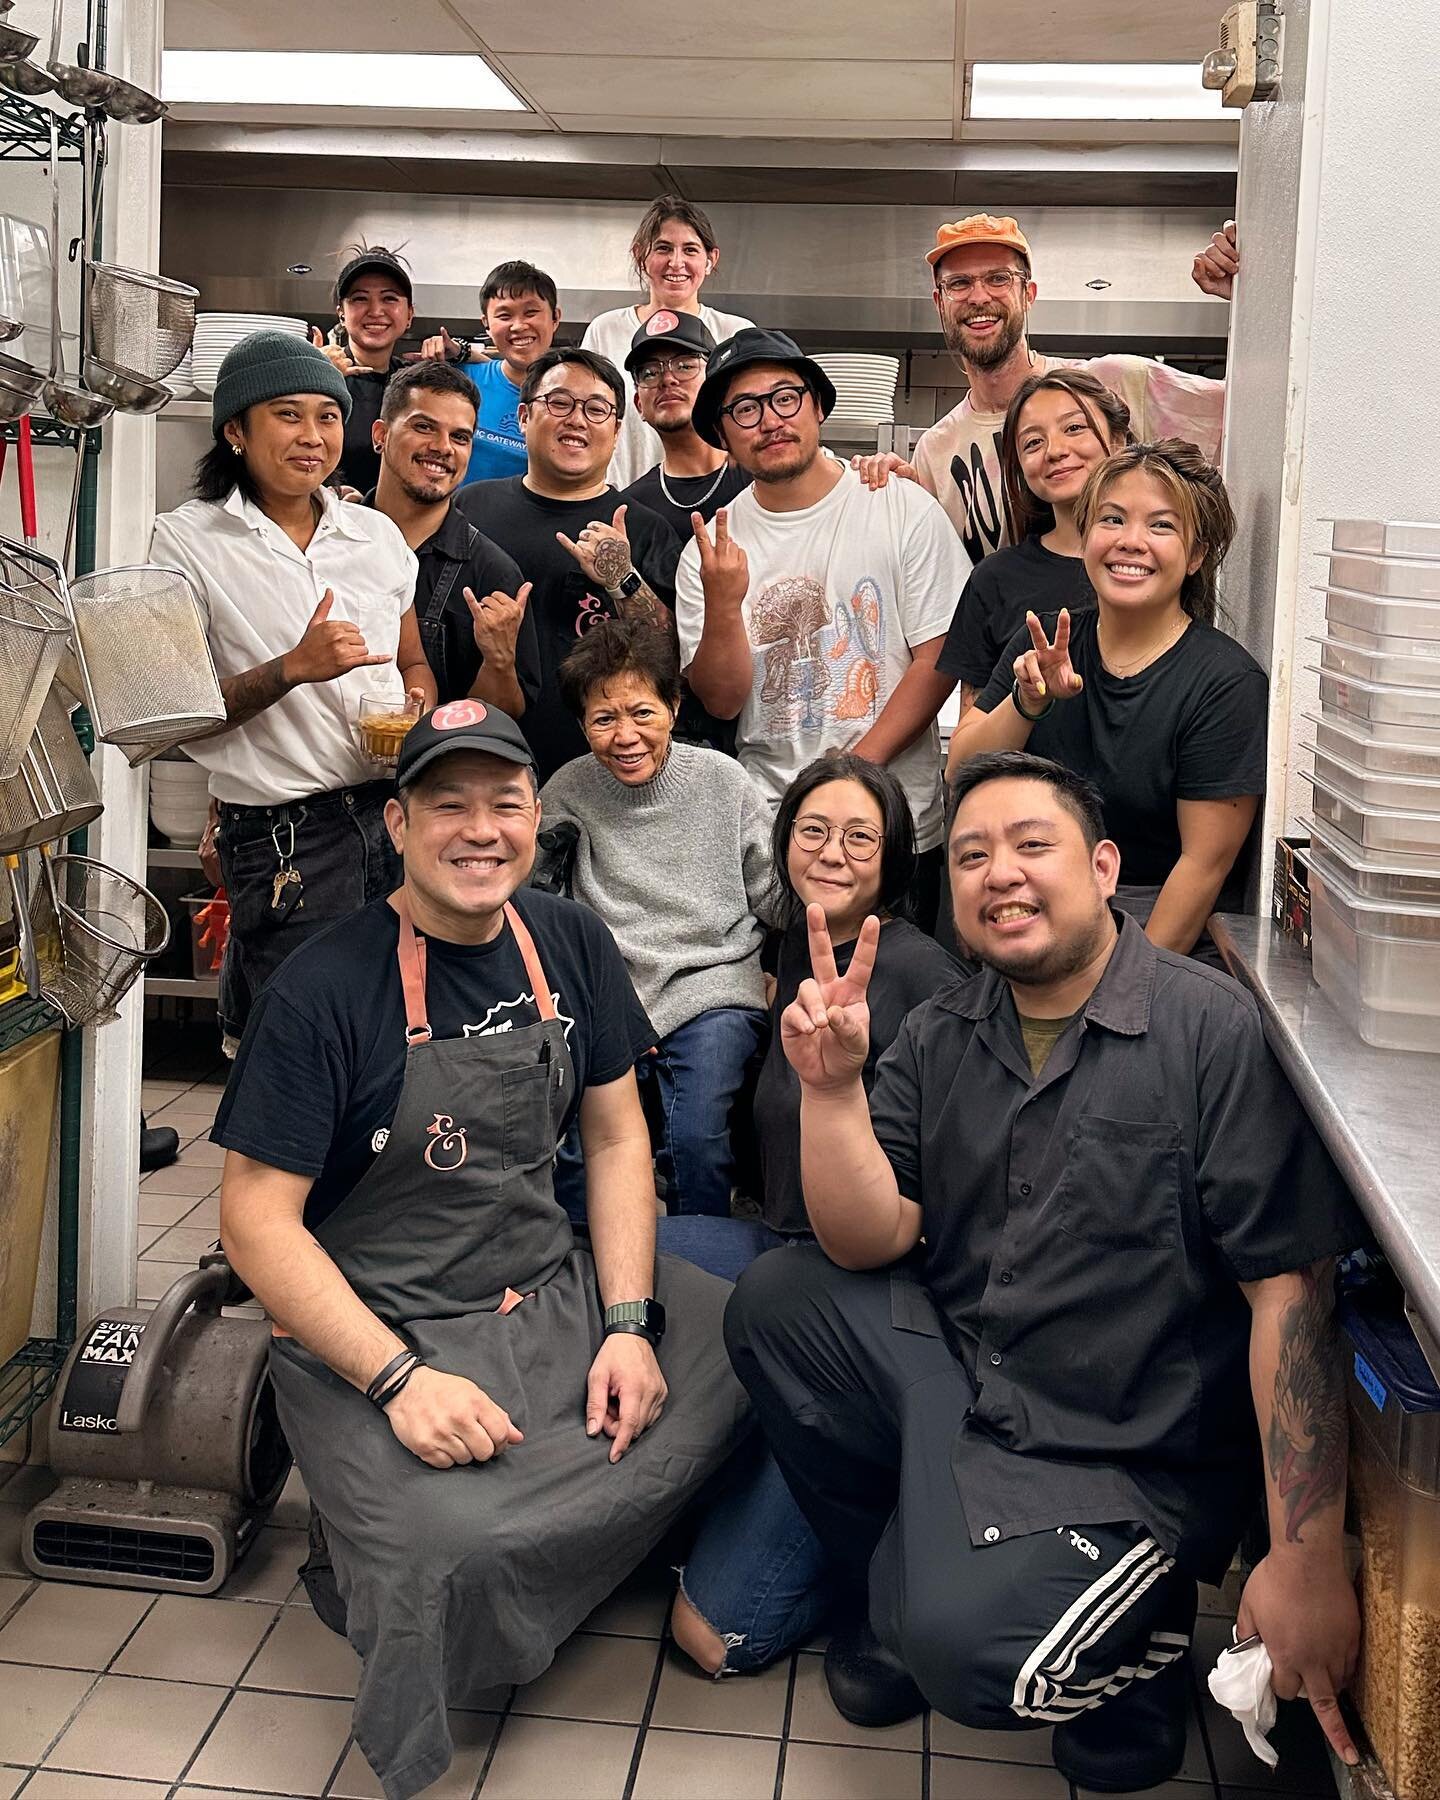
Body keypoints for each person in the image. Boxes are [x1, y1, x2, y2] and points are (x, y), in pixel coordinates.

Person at [726, 750, 1367, 1792]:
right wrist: (832, 1093)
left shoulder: (1209, 1033)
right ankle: (904, 1588)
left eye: (1033, 846)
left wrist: (1303, 1555)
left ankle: (1137, 1652)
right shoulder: (942, 1033)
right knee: (779, 1301)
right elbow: (865, 1238)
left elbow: (1288, 1299)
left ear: (1105, 867)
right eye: (972, 855)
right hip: (981, 1390)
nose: (1000, 873)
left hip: (1127, 1451)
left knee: (970, 1659)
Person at [212, 699, 751, 1800]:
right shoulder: (323, 988)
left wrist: (628, 1325)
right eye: (445, 805)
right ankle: (431, 1542)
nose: (481, 830)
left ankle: (542, 1517)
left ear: (533, 815)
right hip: (378, 1336)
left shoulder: (569, 941)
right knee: (440, 1551)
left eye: (505, 803)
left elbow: (614, 1134)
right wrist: (399, 1382)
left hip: (546, 1296)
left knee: (758, 1336)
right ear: (398, 826)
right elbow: (254, 1222)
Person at [668, 755, 957, 1683]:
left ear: (895, 855)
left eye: (859, 836)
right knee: (610, 1259)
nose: (831, 853)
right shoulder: (795, 947)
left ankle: (863, 1552)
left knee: (712, 1636)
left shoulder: (916, 976)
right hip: (777, 1260)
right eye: (812, 830)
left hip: (868, 1300)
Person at [151, 330, 433, 1049]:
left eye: (328, 416)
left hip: (393, 817)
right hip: (284, 841)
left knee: (400, 1043)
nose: (313, 436)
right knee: (295, 1053)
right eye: (288, 414)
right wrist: (291, 668)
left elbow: (413, 664)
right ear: (236, 431)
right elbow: (172, 715)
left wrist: (417, 705)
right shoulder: (185, 542)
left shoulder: (376, 537)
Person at [676, 328, 970, 931]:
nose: (770, 420)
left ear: (816, 406)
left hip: (896, 828)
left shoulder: (898, 506)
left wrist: (853, 774)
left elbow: (940, 653)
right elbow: (723, 697)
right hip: (772, 833)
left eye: (786, 398)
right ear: (724, 437)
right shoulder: (710, 547)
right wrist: (724, 601)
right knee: (789, 1014)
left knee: (903, 1010)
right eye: (745, 410)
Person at [946, 439, 1266, 960]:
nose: (1130, 542)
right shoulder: (1045, 642)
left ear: (1197, 555)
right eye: (1112, 520)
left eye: (1161, 525)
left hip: (1159, 938)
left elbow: (1202, 866)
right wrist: (1028, 701)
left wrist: (1123, 983)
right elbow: (962, 770)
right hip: (1029, 912)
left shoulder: (1224, 682)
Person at [535, 619, 771, 1221]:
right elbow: (535, 892)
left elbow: (770, 891)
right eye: (603, 719)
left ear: (673, 705)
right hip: (607, 997)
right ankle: (594, 1272)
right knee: (578, 1145)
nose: (625, 736)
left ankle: (700, 1262)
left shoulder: (725, 781)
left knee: (696, 1137)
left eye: (642, 713)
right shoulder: (566, 790)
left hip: (712, 987)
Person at [855, 214, 1227, 564]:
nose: (979, 297)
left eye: (999, 278)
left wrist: (1247, 292)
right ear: (940, 302)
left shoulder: (1116, 382)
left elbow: (1261, 419)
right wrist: (897, 496)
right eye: (959, 283)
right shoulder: (935, 451)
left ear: (1028, 293)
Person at [453, 347, 682, 781]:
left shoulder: (646, 528)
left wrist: (623, 580)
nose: (576, 419)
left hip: (604, 771)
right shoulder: (470, 506)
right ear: (523, 417)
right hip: (481, 760)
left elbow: (673, 657)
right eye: (559, 403)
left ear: (615, 432)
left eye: (596, 409)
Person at [936, 367, 1132, 712]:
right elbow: (970, 749)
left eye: (1074, 428)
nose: (1054, 451)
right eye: (1033, 442)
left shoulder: (1150, 562)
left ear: (1118, 441)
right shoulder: (994, 579)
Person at [369, 360, 542, 714]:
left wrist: (498, 661)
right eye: (423, 427)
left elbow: (506, 715)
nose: (443, 447)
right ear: (380, 435)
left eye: (460, 437)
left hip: (437, 766)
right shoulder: (330, 537)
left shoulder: (493, 573)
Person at [582, 196, 753, 490]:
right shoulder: (606, 331)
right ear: (640, 256)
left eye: (690, 250)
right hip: (627, 496)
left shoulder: (736, 333)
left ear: (710, 260)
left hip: (722, 498)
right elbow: (588, 419)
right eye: (663, 248)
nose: (676, 263)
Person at [421, 260, 563, 486]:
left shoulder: (572, 402)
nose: (518, 326)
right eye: (505, 316)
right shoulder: (460, 382)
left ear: (555, 318)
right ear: (486, 324)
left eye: (531, 312)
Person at [617, 311, 751, 540]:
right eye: (650, 373)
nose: (667, 379)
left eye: (684, 366)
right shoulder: (631, 509)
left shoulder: (761, 475)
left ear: (715, 387)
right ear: (639, 405)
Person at [315, 245, 416, 493]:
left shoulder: (415, 383)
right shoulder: (321, 374)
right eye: (360, 298)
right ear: (341, 313)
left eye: (389, 298)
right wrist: (313, 377)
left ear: (409, 314)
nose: (375, 311)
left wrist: (465, 352)